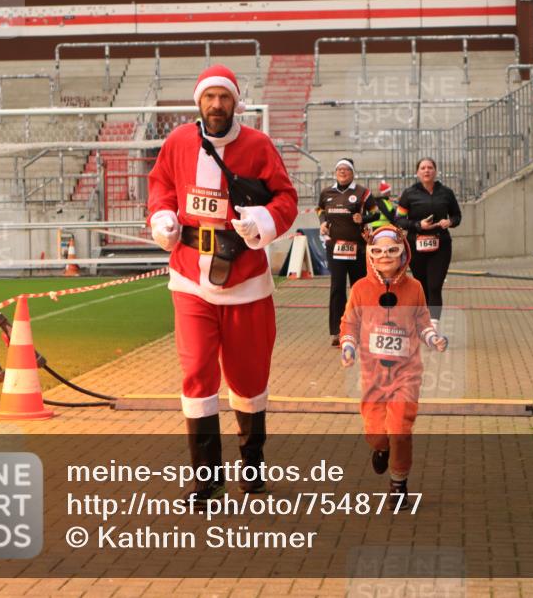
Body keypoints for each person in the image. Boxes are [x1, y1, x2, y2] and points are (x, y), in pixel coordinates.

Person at [147, 64, 298, 500]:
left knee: (249, 378)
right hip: (189, 276)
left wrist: (263, 219)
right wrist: (162, 216)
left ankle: (252, 464)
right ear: (199, 101)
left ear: (236, 102)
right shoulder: (178, 142)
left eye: (224, 97)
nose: (216, 105)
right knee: (197, 372)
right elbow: (161, 186)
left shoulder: (258, 145)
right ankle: (207, 478)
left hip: (246, 278)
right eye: (210, 97)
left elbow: (286, 198)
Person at [339, 226, 447, 509]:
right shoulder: (360, 289)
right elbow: (349, 323)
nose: (385, 257)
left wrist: (433, 338)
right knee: (377, 433)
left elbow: (423, 321)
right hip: (373, 375)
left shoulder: (415, 288)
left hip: (407, 374)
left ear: (403, 254)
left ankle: (398, 484)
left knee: (400, 429)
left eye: (391, 251)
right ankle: (380, 447)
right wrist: (348, 346)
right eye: (378, 251)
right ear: (370, 255)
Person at [316, 158, 378, 346]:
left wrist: (363, 218)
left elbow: (376, 213)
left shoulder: (362, 192)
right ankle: (338, 331)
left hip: (358, 248)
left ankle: (361, 328)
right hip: (335, 248)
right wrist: (323, 223)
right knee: (337, 288)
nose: (342, 172)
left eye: (346, 169)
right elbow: (320, 209)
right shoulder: (327, 192)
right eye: (339, 169)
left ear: (352, 173)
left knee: (359, 289)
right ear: (335, 173)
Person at [394, 157, 461, 324]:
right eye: (423, 168)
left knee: (435, 286)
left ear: (435, 171)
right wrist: (418, 225)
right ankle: (423, 323)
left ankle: (434, 326)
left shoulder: (446, 193)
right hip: (416, 246)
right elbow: (399, 220)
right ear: (417, 172)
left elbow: (457, 216)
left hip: (441, 246)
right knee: (422, 287)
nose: (426, 171)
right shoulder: (409, 194)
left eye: (430, 167)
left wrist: (450, 222)